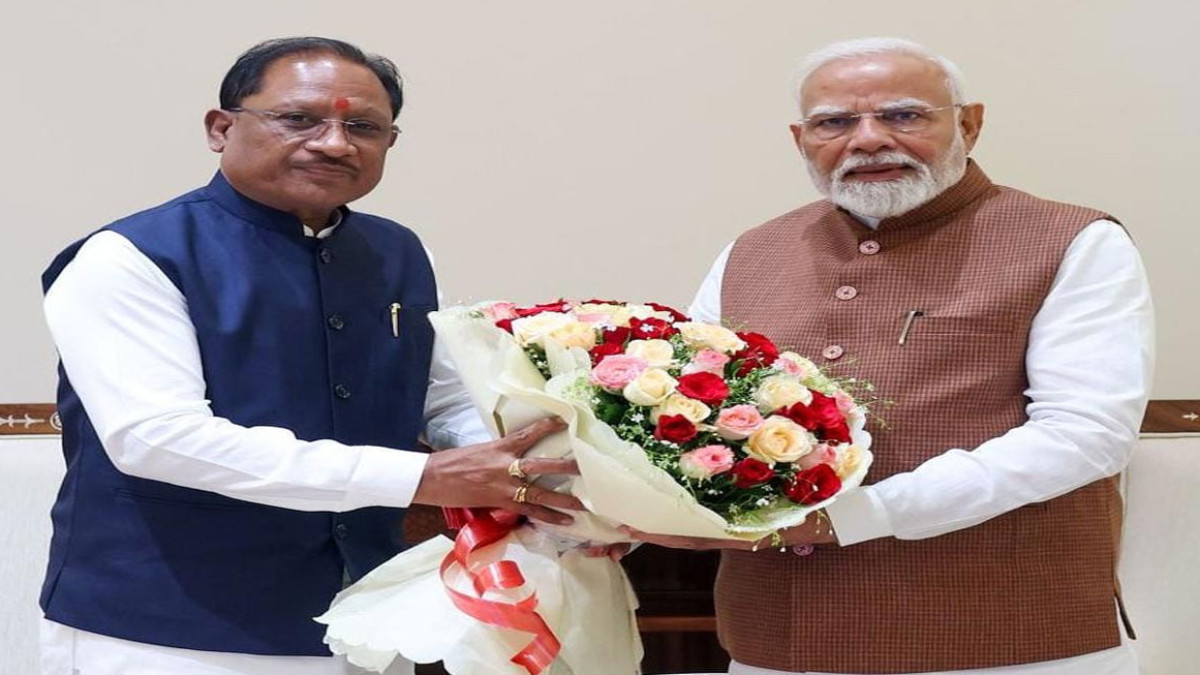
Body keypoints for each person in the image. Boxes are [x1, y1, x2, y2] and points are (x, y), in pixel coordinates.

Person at [38, 37, 581, 675]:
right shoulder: (129, 256)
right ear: (220, 128)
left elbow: (445, 401)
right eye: (298, 119)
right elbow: (156, 439)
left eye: (363, 127)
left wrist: (557, 479)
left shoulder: (399, 253)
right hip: (167, 626)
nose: (334, 143)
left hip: (370, 612)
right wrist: (419, 478)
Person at [631, 37, 1153, 675]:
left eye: (904, 115)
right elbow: (683, 415)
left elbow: (1086, 435)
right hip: (776, 637)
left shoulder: (1074, 240)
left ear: (969, 124)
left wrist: (855, 517)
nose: (868, 139)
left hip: (1007, 637)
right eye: (834, 122)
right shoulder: (751, 252)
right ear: (800, 140)